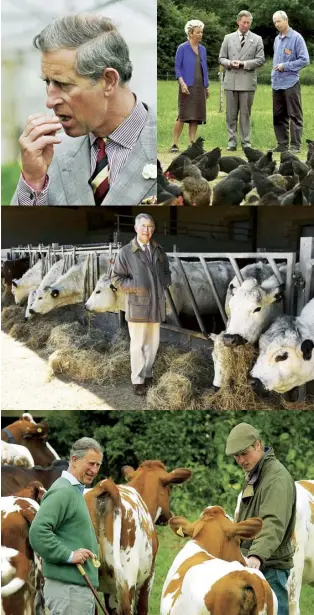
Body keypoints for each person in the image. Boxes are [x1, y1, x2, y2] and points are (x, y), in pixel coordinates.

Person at [10, 14, 156, 207]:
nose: (50, 101)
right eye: (47, 82)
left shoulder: (160, 146)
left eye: (63, 84)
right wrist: (33, 181)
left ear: (109, 81)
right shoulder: (52, 153)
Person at [225, 422, 296, 615]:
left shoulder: (276, 478)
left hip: (270, 566)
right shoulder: (257, 473)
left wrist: (256, 555)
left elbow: (273, 522)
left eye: (244, 453)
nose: (240, 460)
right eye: (236, 456)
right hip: (256, 561)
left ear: (257, 445)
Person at [29, 437, 103, 615]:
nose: (94, 470)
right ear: (75, 460)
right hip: (69, 593)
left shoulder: (74, 491)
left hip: (74, 591)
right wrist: (69, 555)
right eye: (91, 463)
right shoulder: (63, 491)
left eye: (98, 465)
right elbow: (38, 532)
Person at [112, 213, 171, 396]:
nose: (147, 230)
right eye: (144, 226)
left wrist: (164, 282)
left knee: (153, 343)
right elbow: (116, 279)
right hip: (138, 305)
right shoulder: (126, 252)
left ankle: (148, 373)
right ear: (136, 228)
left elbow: (167, 272)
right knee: (137, 344)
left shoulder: (159, 250)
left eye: (150, 227)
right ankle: (137, 380)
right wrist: (137, 287)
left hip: (156, 304)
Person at [219, 11, 265, 150]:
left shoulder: (257, 39)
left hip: (247, 83)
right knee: (231, 115)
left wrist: (243, 64)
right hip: (231, 81)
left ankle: (246, 143)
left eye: (248, 23)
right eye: (244, 22)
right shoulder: (228, 38)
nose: (246, 25)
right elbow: (221, 58)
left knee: (245, 115)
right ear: (238, 21)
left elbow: (261, 59)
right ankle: (231, 143)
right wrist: (229, 62)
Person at [272, 11, 310, 153]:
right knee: (278, 115)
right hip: (276, 82)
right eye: (275, 22)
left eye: (279, 21)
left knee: (294, 114)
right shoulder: (277, 39)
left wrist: (286, 66)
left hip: (291, 82)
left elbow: (304, 60)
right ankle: (282, 144)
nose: (277, 24)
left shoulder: (296, 38)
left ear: (286, 20)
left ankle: (295, 145)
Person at [169, 19, 209, 153]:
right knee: (183, 115)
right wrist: (182, 83)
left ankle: (192, 144)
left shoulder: (202, 49)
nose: (200, 35)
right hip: (186, 86)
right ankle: (174, 143)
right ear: (190, 33)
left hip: (199, 87)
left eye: (201, 32)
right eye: (198, 32)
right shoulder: (182, 48)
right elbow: (177, 67)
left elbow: (205, 68)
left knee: (196, 117)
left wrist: (206, 86)